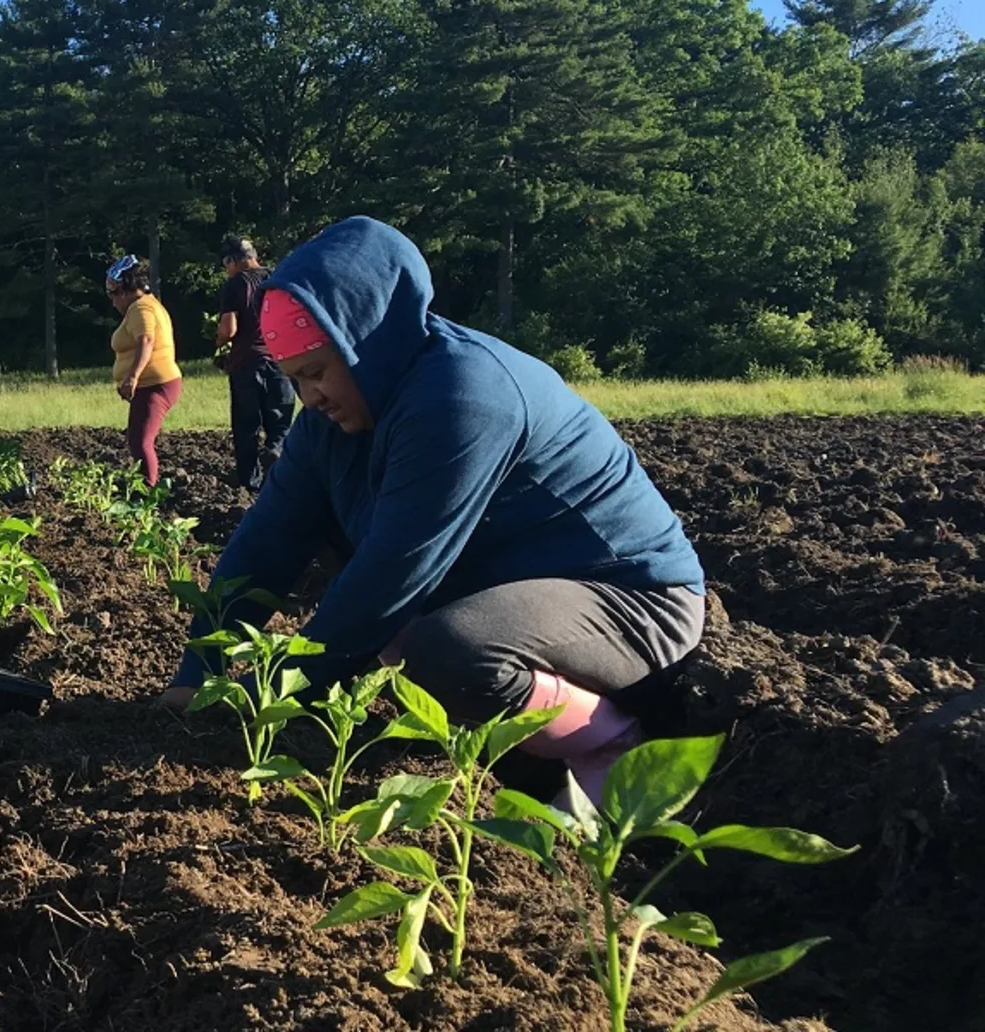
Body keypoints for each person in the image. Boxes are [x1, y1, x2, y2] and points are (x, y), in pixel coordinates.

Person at [160, 217, 705, 803]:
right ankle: (530, 758)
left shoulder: (461, 396)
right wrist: (200, 673)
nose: (309, 398)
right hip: (512, 593)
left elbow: (392, 574)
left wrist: (276, 698)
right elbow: (266, 544)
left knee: (449, 651)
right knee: (387, 615)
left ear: (367, 342)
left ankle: (613, 747)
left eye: (317, 372)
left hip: (630, 599)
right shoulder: (326, 426)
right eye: (295, 380)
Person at [214, 235, 295, 491]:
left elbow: (229, 329)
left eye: (226, 264)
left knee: (247, 427)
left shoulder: (236, 285)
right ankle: (279, 467)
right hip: (280, 359)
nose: (226, 270)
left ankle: (249, 484)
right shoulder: (277, 278)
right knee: (280, 423)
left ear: (233, 261)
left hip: (246, 362)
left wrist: (218, 343)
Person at [106, 255, 183, 487]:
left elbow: (146, 340)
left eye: (113, 295)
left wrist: (132, 377)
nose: (112, 303)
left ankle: (148, 491)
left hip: (154, 384)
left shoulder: (141, 308)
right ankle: (145, 486)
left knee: (140, 442)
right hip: (151, 383)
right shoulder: (145, 306)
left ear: (123, 290)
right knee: (137, 439)